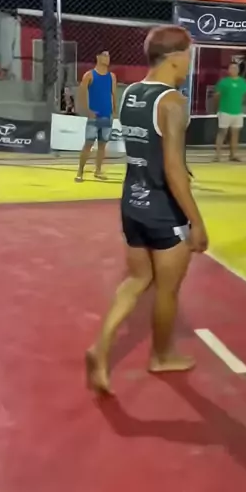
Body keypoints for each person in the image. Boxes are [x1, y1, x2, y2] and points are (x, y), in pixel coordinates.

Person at [86, 26, 208, 395]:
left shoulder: (131, 93)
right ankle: (162, 355)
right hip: (163, 211)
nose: (190, 63)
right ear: (175, 58)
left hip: (132, 202)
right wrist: (196, 222)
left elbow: (146, 150)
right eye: (188, 55)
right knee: (167, 291)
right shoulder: (172, 102)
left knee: (136, 280)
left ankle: (100, 346)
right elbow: (172, 170)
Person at [75, 49, 117, 182]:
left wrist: (114, 110)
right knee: (88, 144)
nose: (107, 58)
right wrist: (87, 110)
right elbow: (82, 94)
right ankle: (80, 171)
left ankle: (98, 170)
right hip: (94, 116)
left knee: (102, 145)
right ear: (98, 57)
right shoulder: (89, 75)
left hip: (107, 115)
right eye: (105, 55)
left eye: (108, 56)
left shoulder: (111, 76)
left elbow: (113, 94)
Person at [213, 61, 246, 162]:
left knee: (235, 134)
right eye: (231, 68)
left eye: (235, 68)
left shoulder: (242, 82)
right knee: (222, 133)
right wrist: (216, 108)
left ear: (238, 70)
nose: (233, 70)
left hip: (237, 112)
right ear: (228, 70)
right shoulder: (223, 82)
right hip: (225, 111)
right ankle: (217, 155)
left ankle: (233, 155)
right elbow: (216, 96)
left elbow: (243, 96)